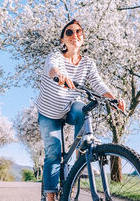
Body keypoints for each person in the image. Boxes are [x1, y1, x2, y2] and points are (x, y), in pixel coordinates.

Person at [36, 19, 125, 201]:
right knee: (53, 152)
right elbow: (50, 67)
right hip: (49, 112)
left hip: (69, 107)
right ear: (62, 39)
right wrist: (58, 74)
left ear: (82, 38)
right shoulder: (56, 57)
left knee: (83, 108)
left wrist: (113, 99)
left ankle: (81, 155)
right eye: (69, 32)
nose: (74, 35)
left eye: (78, 32)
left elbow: (98, 83)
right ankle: (51, 195)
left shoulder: (88, 63)